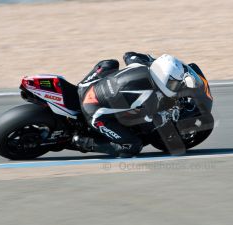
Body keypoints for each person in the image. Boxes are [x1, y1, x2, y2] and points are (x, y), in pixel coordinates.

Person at [75, 52, 212, 158]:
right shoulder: (147, 95)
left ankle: (81, 89)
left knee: (109, 64)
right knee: (132, 146)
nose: (176, 86)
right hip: (93, 112)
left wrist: (152, 61)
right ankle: (84, 142)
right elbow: (148, 119)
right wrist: (165, 116)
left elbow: (129, 55)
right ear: (166, 79)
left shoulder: (142, 65)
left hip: (87, 87)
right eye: (174, 83)